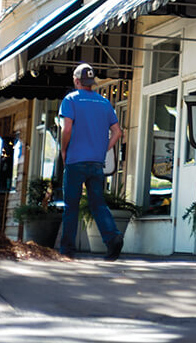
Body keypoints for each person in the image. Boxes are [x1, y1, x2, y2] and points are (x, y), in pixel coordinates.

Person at [59, 62, 124, 260]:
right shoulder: (104, 102)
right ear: (92, 81)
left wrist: (63, 150)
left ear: (76, 81)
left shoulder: (70, 99)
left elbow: (66, 129)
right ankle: (112, 238)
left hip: (75, 160)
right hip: (96, 162)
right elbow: (117, 132)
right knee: (98, 204)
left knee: (71, 206)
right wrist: (103, 149)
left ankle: (67, 251)